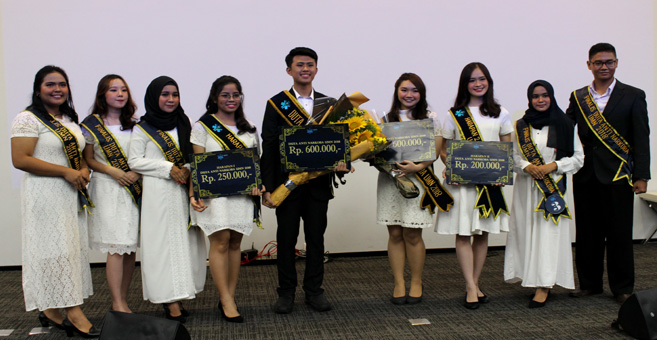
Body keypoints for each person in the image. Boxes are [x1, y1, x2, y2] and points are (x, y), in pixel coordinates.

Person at [10, 65, 99, 337]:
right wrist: (66, 172)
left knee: (68, 251)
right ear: (38, 89)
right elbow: (20, 159)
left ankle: (51, 309)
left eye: (62, 84)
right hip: (45, 193)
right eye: (50, 84)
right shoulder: (27, 119)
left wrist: (84, 169)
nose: (57, 89)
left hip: (70, 194)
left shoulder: (69, 120)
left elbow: (80, 157)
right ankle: (72, 310)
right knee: (53, 250)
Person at [260, 47, 349, 314]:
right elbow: (270, 145)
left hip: (319, 186)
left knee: (316, 239)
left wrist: (344, 165)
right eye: (299, 65)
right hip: (288, 185)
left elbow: (338, 142)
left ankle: (314, 291)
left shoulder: (330, 104)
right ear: (289, 70)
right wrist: (268, 185)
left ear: (316, 70)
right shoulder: (277, 103)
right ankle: (285, 292)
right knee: (286, 240)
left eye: (310, 65)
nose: (305, 69)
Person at [565, 43, 650, 304]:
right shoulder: (578, 97)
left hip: (619, 174)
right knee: (588, 233)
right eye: (599, 62)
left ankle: (622, 287)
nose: (604, 67)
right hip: (586, 173)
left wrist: (642, 175)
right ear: (589, 64)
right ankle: (590, 284)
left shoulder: (633, 95)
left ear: (616, 63)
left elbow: (641, 137)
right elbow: (566, 130)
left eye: (609, 62)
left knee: (619, 234)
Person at [128, 76, 207, 323]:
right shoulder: (143, 128)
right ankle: (168, 300)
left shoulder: (186, 123)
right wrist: (166, 167)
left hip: (184, 192)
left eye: (174, 94)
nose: (171, 99)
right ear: (154, 97)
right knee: (162, 246)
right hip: (158, 194)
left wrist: (184, 167)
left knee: (184, 244)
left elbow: (193, 155)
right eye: (165, 94)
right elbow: (134, 161)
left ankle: (181, 293)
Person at [435, 62, 513, 310]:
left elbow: (506, 149)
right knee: (463, 233)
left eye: (482, 79)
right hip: (462, 184)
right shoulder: (454, 114)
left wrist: (501, 171)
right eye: (472, 80)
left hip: (488, 184)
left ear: (488, 81)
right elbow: (444, 149)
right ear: (464, 84)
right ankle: (470, 285)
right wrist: (453, 166)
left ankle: (475, 282)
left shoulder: (501, 113)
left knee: (482, 234)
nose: (478, 84)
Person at [189, 76, 264, 323]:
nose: (231, 99)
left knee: (234, 243)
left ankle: (228, 296)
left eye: (235, 95)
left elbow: (256, 163)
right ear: (215, 98)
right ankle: (226, 298)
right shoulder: (202, 127)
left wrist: (258, 185)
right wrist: (193, 193)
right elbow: (196, 165)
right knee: (220, 242)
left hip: (241, 196)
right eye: (225, 95)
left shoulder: (250, 127)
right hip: (215, 197)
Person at [503, 80, 584, 308]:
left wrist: (553, 166)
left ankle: (544, 284)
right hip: (527, 188)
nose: (540, 100)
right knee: (527, 232)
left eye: (545, 95)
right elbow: (514, 157)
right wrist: (527, 166)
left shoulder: (567, 124)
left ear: (552, 97)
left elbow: (578, 159)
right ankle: (531, 276)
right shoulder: (521, 125)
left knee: (548, 235)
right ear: (529, 99)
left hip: (552, 190)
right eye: (536, 96)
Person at [81, 74, 140, 314]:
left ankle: (123, 299)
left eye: (123, 90)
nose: (119, 94)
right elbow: (88, 159)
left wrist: (135, 173)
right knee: (116, 247)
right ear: (102, 95)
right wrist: (112, 171)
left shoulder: (136, 124)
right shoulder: (91, 125)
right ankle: (117, 302)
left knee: (130, 248)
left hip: (132, 189)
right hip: (108, 187)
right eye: (113, 90)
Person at [378, 73, 439, 305]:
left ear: (421, 94)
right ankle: (398, 282)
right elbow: (379, 151)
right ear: (397, 92)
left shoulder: (430, 118)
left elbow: (435, 150)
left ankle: (416, 281)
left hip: (418, 180)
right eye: (404, 90)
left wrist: (418, 166)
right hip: (391, 181)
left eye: (415, 90)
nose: (409, 95)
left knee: (413, 234)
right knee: (394, 233)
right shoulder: (385, 119)